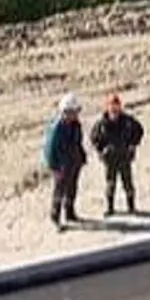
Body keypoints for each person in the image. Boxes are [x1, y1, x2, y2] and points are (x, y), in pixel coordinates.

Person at [89, 93, 145, 216]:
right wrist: (101, 151)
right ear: (107, 107)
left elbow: (139, 131)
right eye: (112, 106)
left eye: (117, 105)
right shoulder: (102, 124)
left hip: (125, 157)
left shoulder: (128, 121)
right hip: (110, 160)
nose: (114, 109)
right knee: (110, 184)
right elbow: (94, 138)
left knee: (128, 183)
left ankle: (131, 207)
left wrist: (133, 145)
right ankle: (110, 208)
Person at [43, 93, 87, 230]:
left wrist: (82, 156)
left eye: (76, 111)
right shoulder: (57, 128)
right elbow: (50, 149)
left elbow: (78, 142)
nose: (75, 114)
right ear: (65, 112)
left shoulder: (76, 125)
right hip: (61, 166)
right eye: (73, 112)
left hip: (73, 163)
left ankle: (70, 213)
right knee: (59, 192)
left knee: (72, 189)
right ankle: (55, 217)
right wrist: (54, 166)